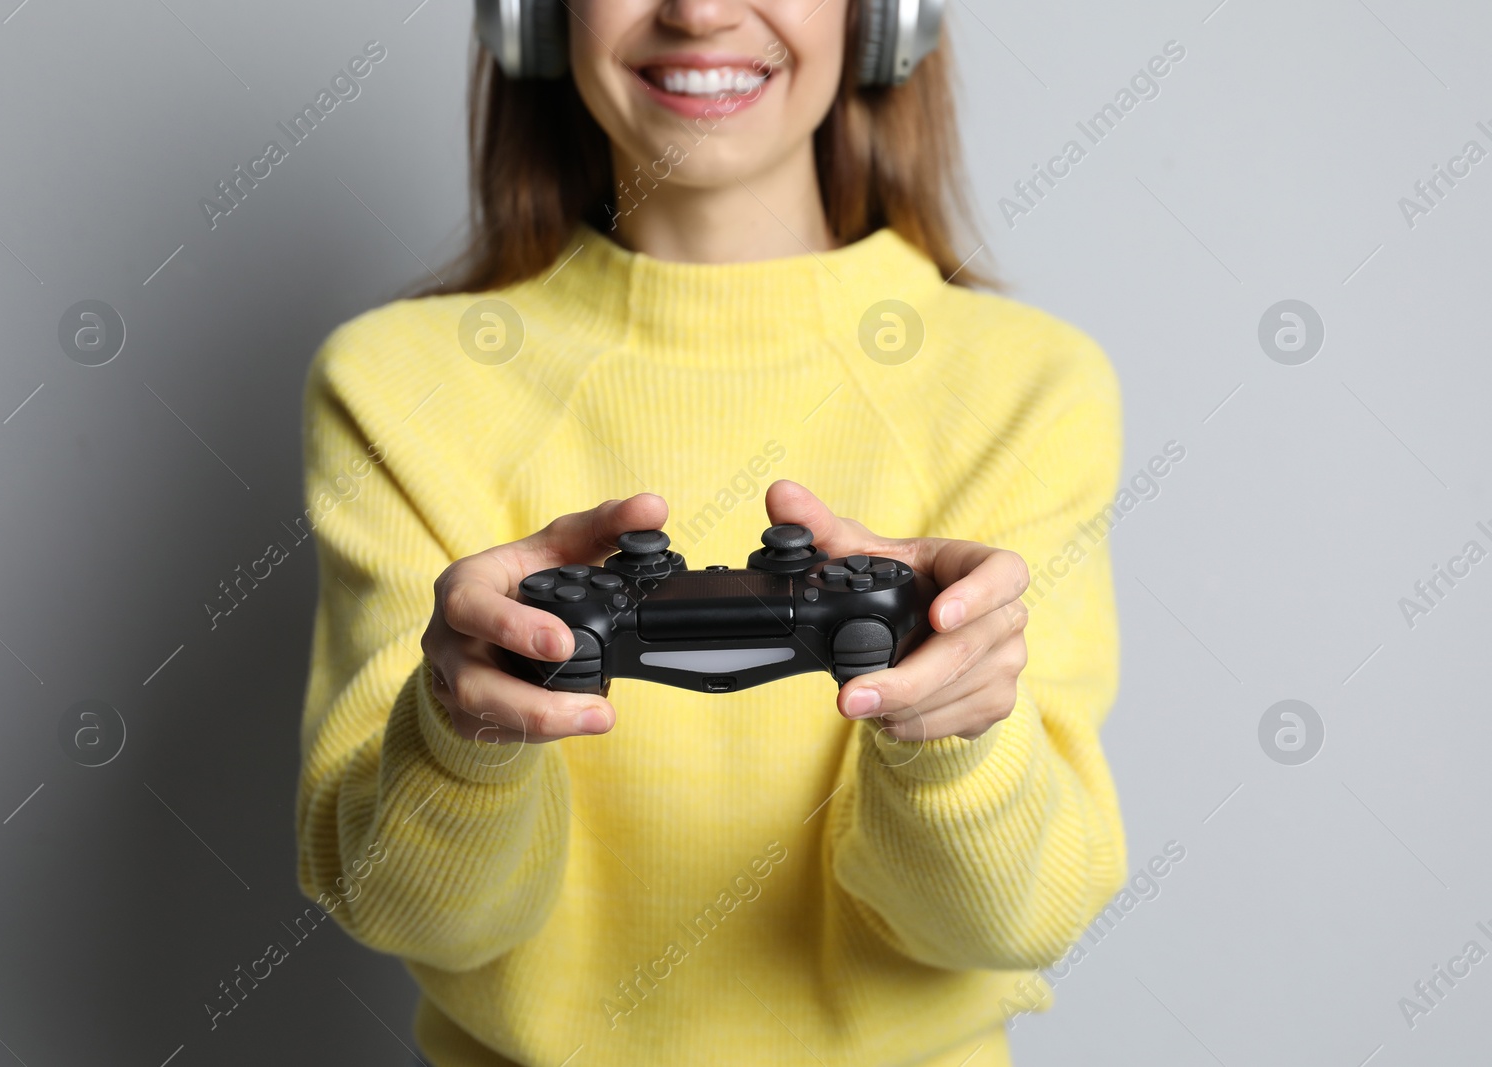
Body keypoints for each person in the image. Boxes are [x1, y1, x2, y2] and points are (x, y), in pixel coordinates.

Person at [295, 2, 1126, 1064]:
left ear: (883, 17)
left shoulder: (1026, 388)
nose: (696, 10)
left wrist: (954, 742)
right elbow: (413, 915)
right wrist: (464, 737)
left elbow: (1010, 923)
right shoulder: (395, 387)